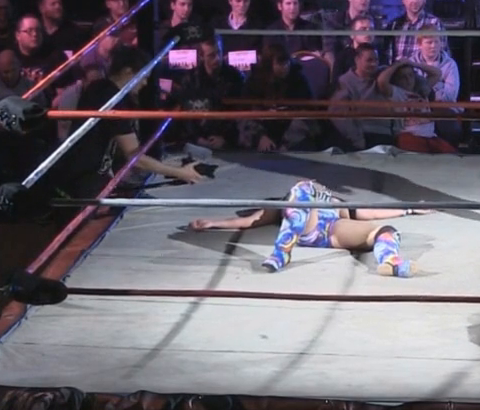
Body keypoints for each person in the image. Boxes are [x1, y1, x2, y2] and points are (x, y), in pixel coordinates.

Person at [45, 46, 207, 202]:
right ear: (128, 72)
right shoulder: (111, 98)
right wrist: (180, 172)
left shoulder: (101, 88)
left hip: (86, 175)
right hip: (84, 181)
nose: (145, 83)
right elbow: (135, 157)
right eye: (144, 77)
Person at [185, 179, 428, 277]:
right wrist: (214, 222)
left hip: (332, 231)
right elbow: (251, 221)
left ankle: (391, 261)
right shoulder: (290, 200)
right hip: (304, 229)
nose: (319, 184)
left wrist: (408, 209)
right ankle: (281, 252)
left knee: (386, 231)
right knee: (302, 190)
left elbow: (370, 212)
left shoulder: (335, 202)